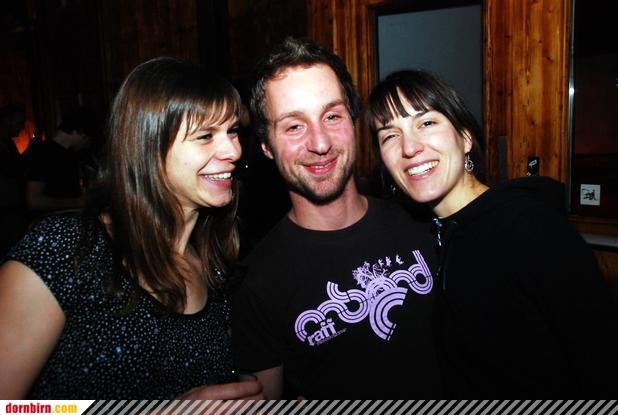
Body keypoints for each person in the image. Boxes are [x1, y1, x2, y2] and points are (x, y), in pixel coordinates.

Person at [0, 57, 263, 400]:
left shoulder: (216, 266)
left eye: (232, 131)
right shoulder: (65, 250)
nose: (234, 150)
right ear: (148, 146)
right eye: (205, 136)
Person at [367, 69, 618, 397]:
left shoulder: (530, 228)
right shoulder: (425, 236)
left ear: (465, 138)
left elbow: (602, 361)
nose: (410, 147)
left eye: (426, 123)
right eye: (389, 135)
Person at [231, 37, 442, 399]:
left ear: (353, 120)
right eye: (294, 126)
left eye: (332, 116)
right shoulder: (256, 283)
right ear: (266, 145)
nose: (321, 143)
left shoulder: (423, 222)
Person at [23, 107, 96, 218]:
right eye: (87, 138)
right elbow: (33, 200)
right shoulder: (43, 153)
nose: (88, 143)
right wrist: (77, 202)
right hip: (51, 224)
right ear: (79, 132)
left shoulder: (71, 154)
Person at [0, 104, 28, 256]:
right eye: (19, 122)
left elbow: (17, 166)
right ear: (7, 121)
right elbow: (11, 169)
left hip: (13, 205)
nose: (22, 127)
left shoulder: (9, 144)